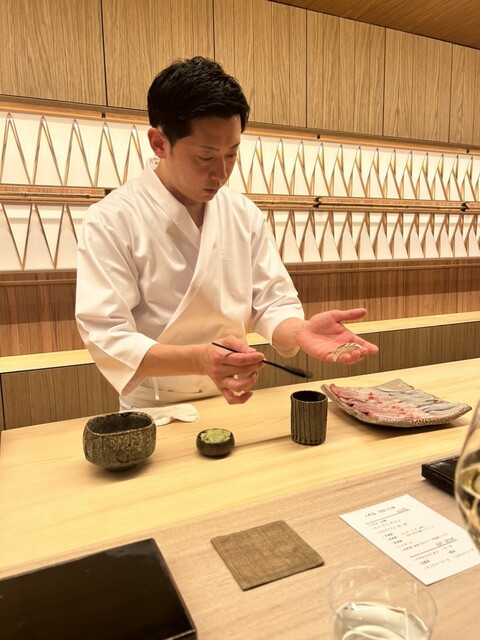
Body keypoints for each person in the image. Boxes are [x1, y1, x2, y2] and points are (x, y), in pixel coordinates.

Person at [75, 56, 378, 410]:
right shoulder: (111, 219)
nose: (221, 174)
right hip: (153, 407)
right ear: (159, 143)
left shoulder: (242, 213)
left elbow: (271, 302)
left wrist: (300, 330)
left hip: (236, 400)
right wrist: (199, 360)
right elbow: (107, 334)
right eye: (205, 157)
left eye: (231, 155)